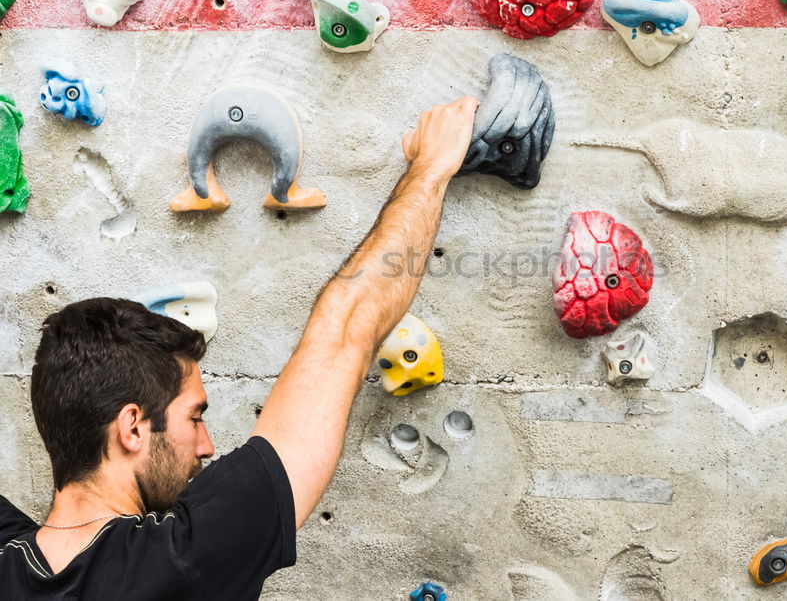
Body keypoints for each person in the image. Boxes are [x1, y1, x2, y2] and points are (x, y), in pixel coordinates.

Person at [0, 96, 480, 599]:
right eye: (194, 417)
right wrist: (431, 167)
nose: (207, 445)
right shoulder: (186, 561)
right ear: (133, 427)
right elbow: (345, 332)